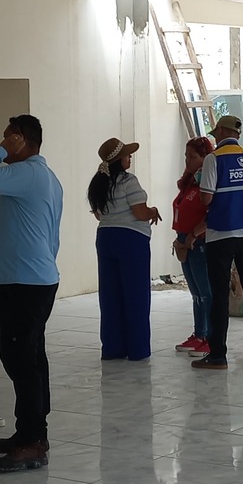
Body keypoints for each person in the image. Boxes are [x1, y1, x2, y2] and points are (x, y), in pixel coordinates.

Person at [0, 114, 63, 471]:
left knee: (21, 359)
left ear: (21, 139)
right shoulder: (45, 177)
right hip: (32, 279)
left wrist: (0, 149)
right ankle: (32, 433)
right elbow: (52, 236)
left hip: (24, 282)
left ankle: (33, 440)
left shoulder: (27, 173)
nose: (5, 142)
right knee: (31, 358)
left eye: (9, 136)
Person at [194, 115, 243, 369]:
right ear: (237, 135)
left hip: (220, 237)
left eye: (216, 133)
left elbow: (206, 198)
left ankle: (218, 355)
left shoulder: (213, 159)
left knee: (219, 296)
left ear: (221, 132)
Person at [88, 137, 160, 362]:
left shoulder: (98, 183)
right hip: (131, 240)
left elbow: (98, 214)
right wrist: (153, 211)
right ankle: (137, 350)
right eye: (127, 155)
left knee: (110, 295)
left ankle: (113, 348)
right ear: (119, 160)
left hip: (105, 238)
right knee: (135, 295)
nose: (130, 157)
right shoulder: (129, 181)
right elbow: (140, 212)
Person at [170, 135, 214, 354]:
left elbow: (212, 215)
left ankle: (211, 338)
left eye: (192, 157)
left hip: (199, 242)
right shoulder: (189, 183)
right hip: (184, 241)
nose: (187, 161)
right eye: (186, 156)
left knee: (206, 292)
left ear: (205, 159)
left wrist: (195, 234)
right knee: (196, 292)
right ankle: (199, 334)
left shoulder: (208, 185)